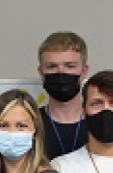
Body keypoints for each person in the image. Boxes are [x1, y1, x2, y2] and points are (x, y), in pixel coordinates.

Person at [36, 31, 89, 160]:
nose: (61, 72)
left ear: (84, 71)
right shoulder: (29, 123)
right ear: (41, 73)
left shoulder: (103, 123)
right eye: (51, 66)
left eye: (70, 66)